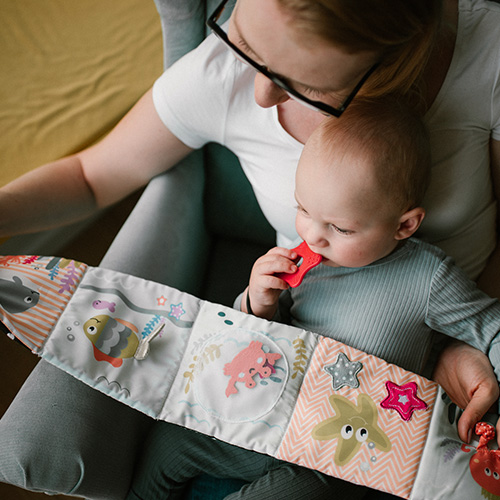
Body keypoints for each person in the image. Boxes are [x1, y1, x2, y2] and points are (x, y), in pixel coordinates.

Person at [1, 0, 500, 498]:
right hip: (272, 396)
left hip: (361, 429)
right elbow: (90, 178)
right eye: (244, 43)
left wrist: (455, 347)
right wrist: (258, 300)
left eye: (307, 85)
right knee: (172, 448)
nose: (260, 94)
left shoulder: (485, 58)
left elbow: (484, 321)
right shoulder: (311, 260)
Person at [125, 96, 500, 499]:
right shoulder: (299, 260)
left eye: (340, 227)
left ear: (404, 225)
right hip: (266, 414)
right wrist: (258, 300)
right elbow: (251, 341)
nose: (313, 236)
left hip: (339, 454)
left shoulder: (428, 277)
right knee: (170, 442)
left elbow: (491, 329)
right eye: (303, 208)